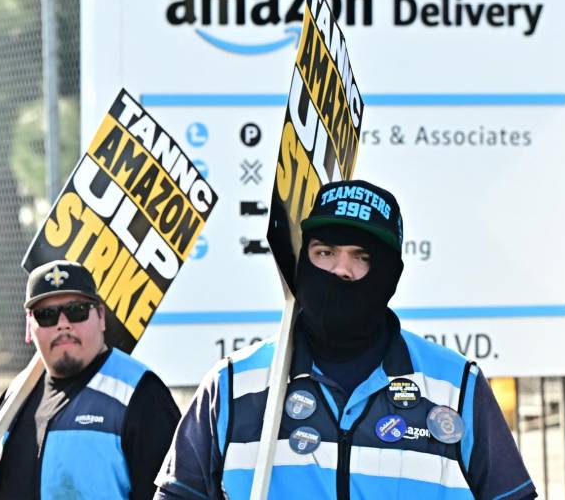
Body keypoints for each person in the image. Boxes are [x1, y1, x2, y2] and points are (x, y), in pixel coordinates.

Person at [154, 179, 536, 499]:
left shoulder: (454, 386)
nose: (342, 270)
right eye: (325, 252)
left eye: (361, 256)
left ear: (390, 273)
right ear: (303, 260)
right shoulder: (233, 386)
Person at [0, 260, 181, 499]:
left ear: (101, 316)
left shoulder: (141, 394)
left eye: (77, 311)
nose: (63, 324)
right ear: (29, 325)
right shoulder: (13, 399)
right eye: (46, 315)